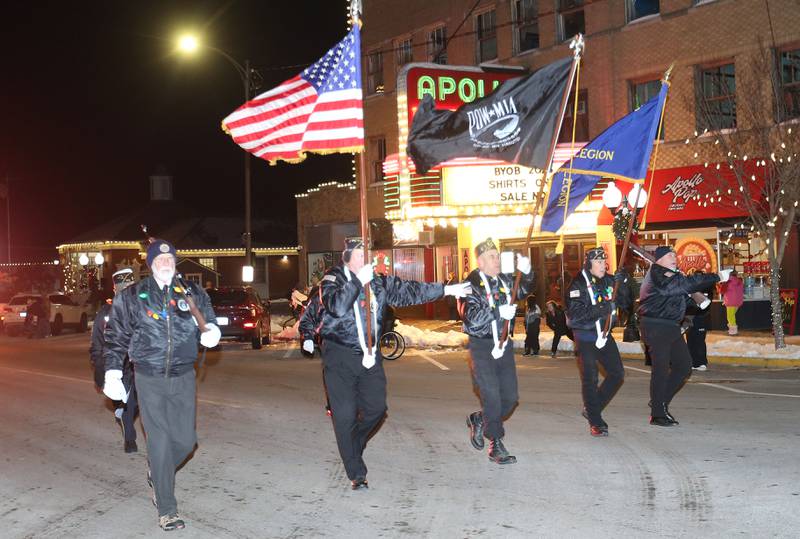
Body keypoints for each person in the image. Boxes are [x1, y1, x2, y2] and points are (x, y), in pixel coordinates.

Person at [318, 237, 470, 489]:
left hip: (369, 355)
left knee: (377, 408)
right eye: (358, 254)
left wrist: (445, 290)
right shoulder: (333, 279)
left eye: (366, 254)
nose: (364, 259)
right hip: (340, 356)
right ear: (347, 257)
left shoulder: (378, 282)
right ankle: (357, 473)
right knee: (344, 416)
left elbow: (410, 291)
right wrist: (357, 282)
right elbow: (337, 307)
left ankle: (352, 444)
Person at [103, 239, 220, 531]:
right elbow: (116, 335)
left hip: (183, 374)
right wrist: (113, 372)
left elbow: (208, 318)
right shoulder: (134, 295)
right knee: (160, 439)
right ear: (151, 264)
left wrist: (212, 331)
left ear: (174, 263)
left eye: (170, 260)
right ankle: (167, 508)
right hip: (149, 375)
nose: (165, 264)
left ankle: (157, 470)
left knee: (185, 441)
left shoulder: (191, 292)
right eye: (160, 260)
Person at [638, 245, 728, 427]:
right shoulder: (658, 273)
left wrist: (696, 301)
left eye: (675, 255)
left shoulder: (671, 277)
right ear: (659, 259)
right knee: (661, 369)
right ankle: (657, 414)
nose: (674, 257)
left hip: (670, 326)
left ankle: (659, 400)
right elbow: (683, 285)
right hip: (656, 326)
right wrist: (716, 277)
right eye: (670, 255)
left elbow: (677, 297)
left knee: (684, 366)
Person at [463, 239, 533, 465]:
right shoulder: (470, 284)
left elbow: (521, 290)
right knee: (491, 395)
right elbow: (471, 320)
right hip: (481, 347)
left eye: (497, 255)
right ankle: (496, 443)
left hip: (503, 345)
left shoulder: (503, 279)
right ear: (481, 261)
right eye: (492, 256)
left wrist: (527, 272)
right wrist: (497, 312)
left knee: (510, 398)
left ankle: (480, 419)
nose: (497, 260)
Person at [565, 247, 631, 437]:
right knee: (590, 378)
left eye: (604, 262)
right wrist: (603, 307)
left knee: (617, 374)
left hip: (604, 335)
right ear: (589, 264)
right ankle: (596, 421)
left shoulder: (610, 280)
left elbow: (626, 304)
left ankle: (592, 407)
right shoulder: (577, 285)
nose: (604, 265)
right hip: (586, 336)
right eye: (599, 262)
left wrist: (624, 283)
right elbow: (576, 316)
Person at [90, 269, 139, 452]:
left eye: (129, 286)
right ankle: (129, 438)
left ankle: (122, 415)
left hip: (141, 364)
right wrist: (99, 370)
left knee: (141, 401)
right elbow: (97, 343)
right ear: (115, 288)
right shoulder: (106, 312)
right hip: (119, 366)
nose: (126, 290)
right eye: (122, 287)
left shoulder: (143, 307)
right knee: (129, 402)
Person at [686, 270, 714, 371]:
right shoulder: (690, 288)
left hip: (701, 317)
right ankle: (692, 362)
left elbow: (706, 303)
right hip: (689, 317)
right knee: (690, 340)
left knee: (699, 340)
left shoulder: (707, 288)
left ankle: (702, 362)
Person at [719, 269, 744, 335]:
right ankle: (732, 329)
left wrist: (719, 285)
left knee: (730, 317)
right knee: (732, 316)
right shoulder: (740, 281)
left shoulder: (727, 282)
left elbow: (721, 291)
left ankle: (733, 331)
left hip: (730, 302)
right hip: (738, 301)